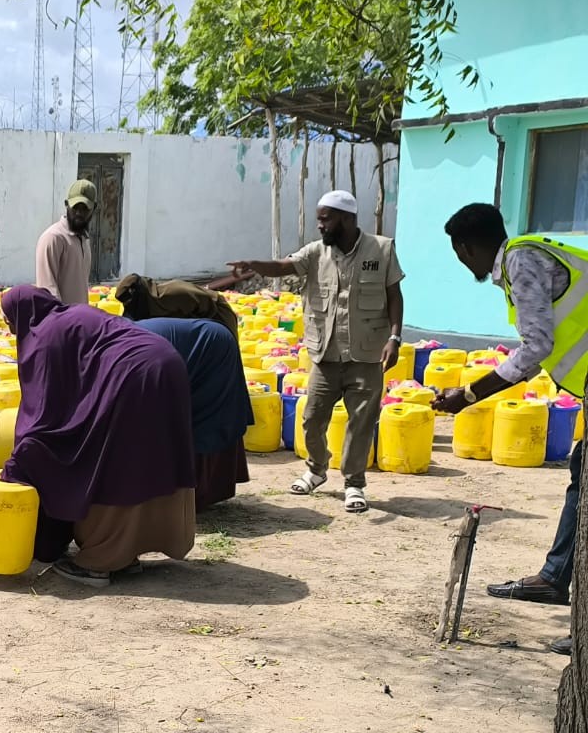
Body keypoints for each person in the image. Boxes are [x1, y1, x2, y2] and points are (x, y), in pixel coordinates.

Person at [433, 202, 588, 656]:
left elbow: (536, 345)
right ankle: (555, 578)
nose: (463, 264)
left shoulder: (521, 261)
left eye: (459, 254)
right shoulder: (528, 257)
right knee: (581, 480)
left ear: (466, 247)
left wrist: (469, 394)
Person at [0, 286, 196, 587]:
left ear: (22, 313)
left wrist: (20, 463)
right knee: (142, 460)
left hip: (133, 375)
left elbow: (41, 413)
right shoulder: (68, 315)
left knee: (105, 461)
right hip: (166, 365)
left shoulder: (44, 337)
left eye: (8, 318)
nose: (9, 327)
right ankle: (127, 554)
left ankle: (99, 562)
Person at [228, 190, 405, 514]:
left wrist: (395, 337)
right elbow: (284, 266)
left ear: (347, 219)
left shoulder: (381, 249)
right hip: (326, 355)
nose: (320, 225)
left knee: (361, 423)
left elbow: (394, 295)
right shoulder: (316, 252)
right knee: (311, 419)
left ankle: (354, 484)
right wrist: (255, 265)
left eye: (326, 219)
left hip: (366, 355)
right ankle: (317, 468)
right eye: (319, 219)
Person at [133, 316, 253, 511]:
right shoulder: (113, 342)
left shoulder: (117, 349)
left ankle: (196, 495)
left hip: (211, 348)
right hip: (196, 346)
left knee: (203, 424)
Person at [115, 274, 240, 336]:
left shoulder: (172, 293)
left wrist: (202, 330)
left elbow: (206, 303)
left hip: (218, 317)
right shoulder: (148, 306)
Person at [35, 180, 96, 306]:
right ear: (66, 204)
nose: (79, 213)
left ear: (94, 208)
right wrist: (64, 322)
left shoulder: (84, 239)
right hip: (62, 323)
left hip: (80, 321)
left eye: (84, 209)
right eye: (75, 208)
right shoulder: (53, 238)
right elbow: (48, 292)